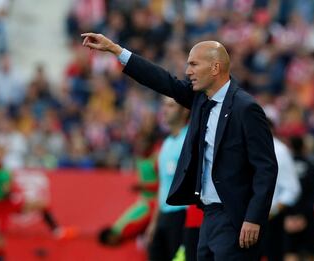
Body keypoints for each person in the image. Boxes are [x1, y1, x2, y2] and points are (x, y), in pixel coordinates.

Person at [81, 33, 278, 260]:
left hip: (235, 217)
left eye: (194, 64)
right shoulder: (200, 99)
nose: (188, 71)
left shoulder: (246, 108)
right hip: (208, 214)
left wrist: (253, 217)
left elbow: (266, 168)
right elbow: (163, 81)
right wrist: (116, 50)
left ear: (215, 68)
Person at [0, 162, 76, 261]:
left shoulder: (6, 172)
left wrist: (10, 190)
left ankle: (57, 231)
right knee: (0, 236)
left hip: (8, 203)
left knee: (41, 204)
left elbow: (10, 187)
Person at [145, 97, 189, 261]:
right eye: (164, 105)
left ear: (185, 111)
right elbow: (163, 185)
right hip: (164, 215)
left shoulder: (189, 141)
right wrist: (154, 222)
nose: (164, 110)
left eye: (171, 105)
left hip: (182, 216)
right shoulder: (166, 144)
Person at [263, 118, 301, 261]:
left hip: (270, 218)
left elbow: (292, 189)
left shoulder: (279, 150)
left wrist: (272, 211)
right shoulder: (246, 147)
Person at [283, 136, 314, 261]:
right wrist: (303, 216)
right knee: (310, 251)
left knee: (290, 251)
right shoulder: (312, 166)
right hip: (307, 217)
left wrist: (290, 216)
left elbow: (282, 193)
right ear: (304, 148)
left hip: (288, 218)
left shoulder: (284, 167)